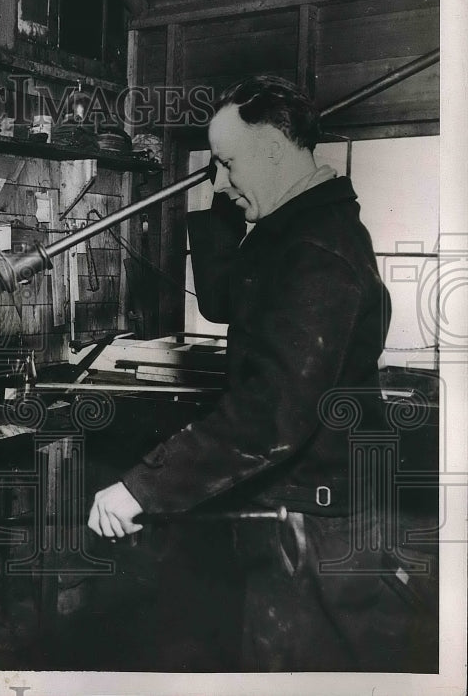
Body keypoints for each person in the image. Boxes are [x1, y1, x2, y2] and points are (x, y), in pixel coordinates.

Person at [88, 75, 426, 671]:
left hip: (324, 521)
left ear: (272, 150)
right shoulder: (289, 229)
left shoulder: (317, 250)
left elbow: (270, 414)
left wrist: (142, 486)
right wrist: (225, 209)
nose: (219, 179)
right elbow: (224, 301)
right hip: (303, 503)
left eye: (226, 162)